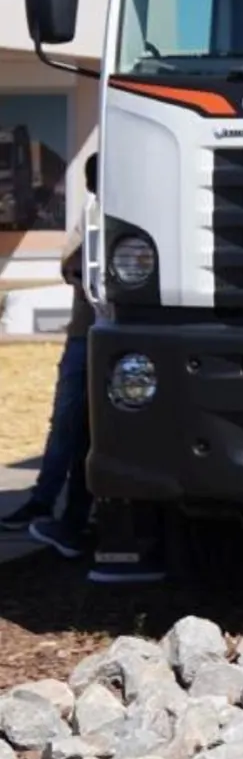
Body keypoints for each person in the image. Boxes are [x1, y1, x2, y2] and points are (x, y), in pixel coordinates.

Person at [0, 231, 93, 555]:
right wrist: (80, 273)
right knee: (68, 422)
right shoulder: (95, 209)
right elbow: (69, 263)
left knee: (93, 430)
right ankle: (44, 501)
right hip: (86, 332)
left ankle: (80, 518)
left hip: (128, 329)